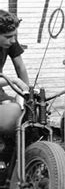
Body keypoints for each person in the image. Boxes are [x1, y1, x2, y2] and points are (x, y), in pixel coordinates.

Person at [0, 10, 29, 162]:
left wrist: (26, 95)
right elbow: (15, 78)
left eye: (15, 35)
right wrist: (14, 81)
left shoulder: (9, 42)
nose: (13, 40)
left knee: (20, 115)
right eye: (8, 37)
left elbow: (20, 68)